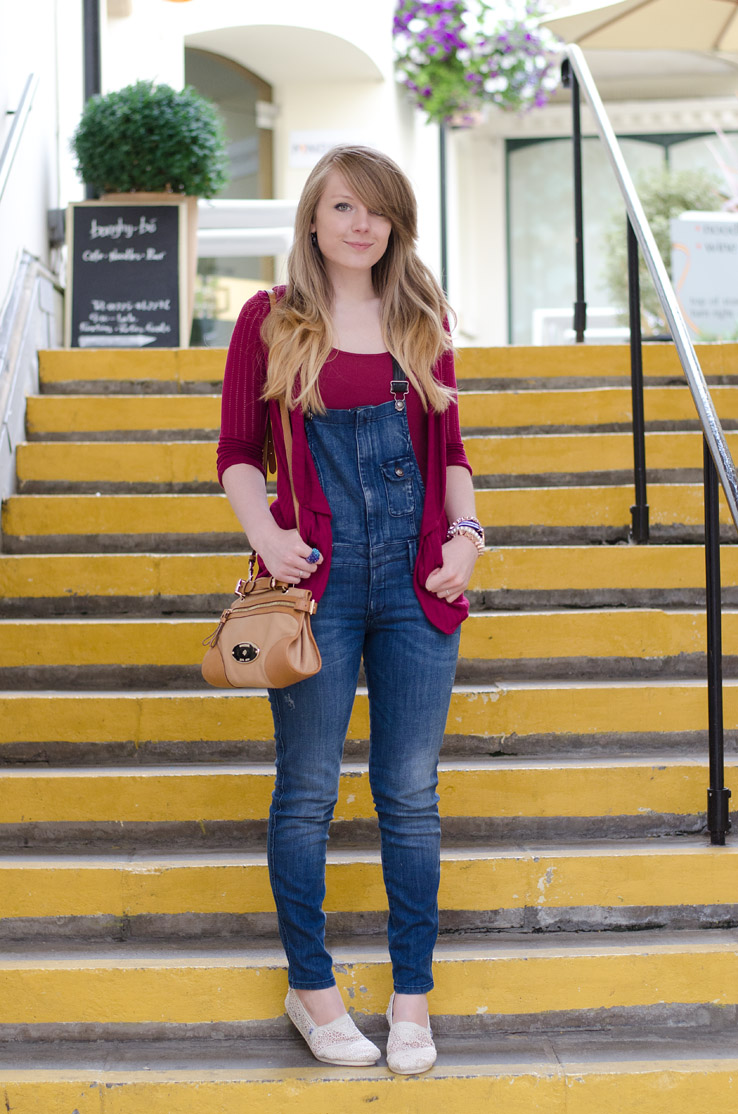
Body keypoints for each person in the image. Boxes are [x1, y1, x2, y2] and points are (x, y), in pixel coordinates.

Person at [217, 145, 482, 1075]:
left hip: (418, 588)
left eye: (376, 210)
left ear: (395, 222)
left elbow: (450, 450)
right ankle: (313, 991)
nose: (360, 225)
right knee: (309, 795)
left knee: (409, 796)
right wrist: (267, 536)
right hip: (315, 586)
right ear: (315, 220)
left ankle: (412, 1002)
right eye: (343, 208)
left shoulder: (421, 315)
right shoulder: (270, 319)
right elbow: (238, 451)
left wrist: (467, 538)